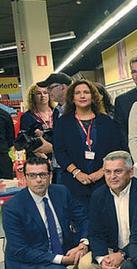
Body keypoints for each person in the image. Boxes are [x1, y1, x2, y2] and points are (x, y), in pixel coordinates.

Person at [3, 156, 108, 269]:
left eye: (43, 175)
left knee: (102, 246)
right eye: (33, 175)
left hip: (64, 246)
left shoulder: (61, 192)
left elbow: (84, 219)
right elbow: (20, 250)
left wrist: (83, 244)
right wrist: (63, 260)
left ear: (50, 176)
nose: (38, 180)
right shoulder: (12, 207)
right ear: (25, 178)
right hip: (33, 258)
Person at [78, 151, 137, 269]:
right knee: (85, 266)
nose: (112, 176)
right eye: (108, 172)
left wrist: (123, 254)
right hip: (114, 250)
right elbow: (96, 233)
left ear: (131, 172)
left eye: (118, 171)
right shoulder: (99, 195)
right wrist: (102, 258)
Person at [53, 80, 125, 211]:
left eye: (86, 92)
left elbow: (116, 150)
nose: (82, 96)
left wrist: (101, 172)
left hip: (104, 181)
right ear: (72, 98)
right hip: (74, 183)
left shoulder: (107, 121)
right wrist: (77, 172)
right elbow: (60, 152)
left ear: (93, 97)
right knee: (82, 225)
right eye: (78, 93)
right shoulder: (63, 123)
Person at [18, 81, 54, 161]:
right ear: (32, 97)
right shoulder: (27, 117)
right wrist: (46, 159)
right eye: (38, 93)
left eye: (45, 92)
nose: (42, 96)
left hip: (58, 156)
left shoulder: (57, 113)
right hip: (37, 159)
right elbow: (26, 142)